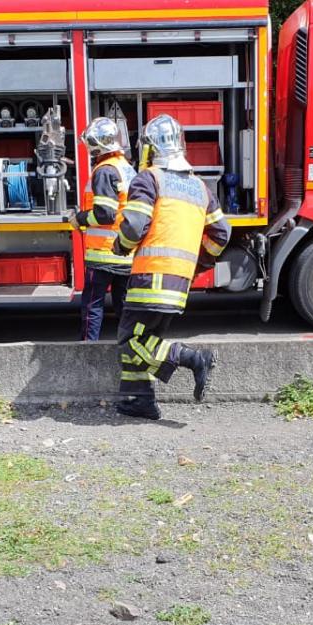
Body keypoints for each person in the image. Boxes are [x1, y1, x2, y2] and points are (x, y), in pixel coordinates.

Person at [110, 114, 232, 420]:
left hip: (151, 276)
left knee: (130, 340)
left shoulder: (149, 178)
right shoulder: (200, 186)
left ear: (150, 149)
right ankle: (137, 400)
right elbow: (222, 233)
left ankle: (190, 358)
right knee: (144, 337)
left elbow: (135, 223)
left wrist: (122, 246)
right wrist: (200, 262)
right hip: (179, 282)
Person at [72, 117, 137, 341]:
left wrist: (79, 219)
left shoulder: (104, 171)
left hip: (103, 255)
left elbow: (105, 214)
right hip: (125, 253)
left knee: (92, 306)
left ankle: (87, 353)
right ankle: (131, 350)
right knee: (124, 308)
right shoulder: (126, 168)